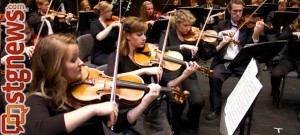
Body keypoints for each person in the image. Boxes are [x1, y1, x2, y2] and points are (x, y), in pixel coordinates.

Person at [23, 33, 163, 135]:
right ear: (54, 68)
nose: (81, 63)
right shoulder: (38, 99)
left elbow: (117, 125)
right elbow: (39, 129)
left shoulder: (86, 91)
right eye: (73, 60)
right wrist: (92, 110)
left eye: (78, 57)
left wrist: (145, 102)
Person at [105, 16, 200, 135]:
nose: (144, 38)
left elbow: (169, 85)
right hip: (129, 106)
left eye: (144, 34)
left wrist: (185, 75)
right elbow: (110, 79)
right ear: (127, 36)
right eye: (139, 35)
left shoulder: (148, 56)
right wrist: (144, 71)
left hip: (150, 104)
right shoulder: (117, 56)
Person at [204, 0, 265, 120]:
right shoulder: (221, 24)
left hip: (241, 62)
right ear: (229, 10)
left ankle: (242, 109)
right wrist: (222, 34)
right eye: (235, 11)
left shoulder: (248, 26)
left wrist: (256, 33)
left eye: (240, 11)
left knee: (253, 80)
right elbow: (211, 36)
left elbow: (251, 47)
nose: (238, 14)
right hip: (224, 62)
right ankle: (215, 108)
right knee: (214, 77)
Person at [157, 9, 210, 134]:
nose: (188, 28)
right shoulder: (167, 33)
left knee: (198, 101)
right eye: (185, 25)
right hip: (171, 72)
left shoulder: (192, 36)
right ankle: (176, 124)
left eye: (190, 25)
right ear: (177, 24)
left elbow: (203, 56)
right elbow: (160, 50)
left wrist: (198, 53)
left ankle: (193, 123)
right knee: (177, 101)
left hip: (188, 71)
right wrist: (182, 46)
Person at [271, 11, 300, 106]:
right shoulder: (292, 27)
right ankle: (275, 92)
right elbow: (281, 37)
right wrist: (294, 34)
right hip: (289, 59)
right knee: (275, 74)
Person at [90, 1, 121, 66]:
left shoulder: (112, 22)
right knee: (116, 63)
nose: (111, 13)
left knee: (123, 60)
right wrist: (111, 26)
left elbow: (116, 41)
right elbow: (99, 37)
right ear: (101, 12)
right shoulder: (94, 24)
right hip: (99, 55)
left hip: (111, 52)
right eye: (109, 11)